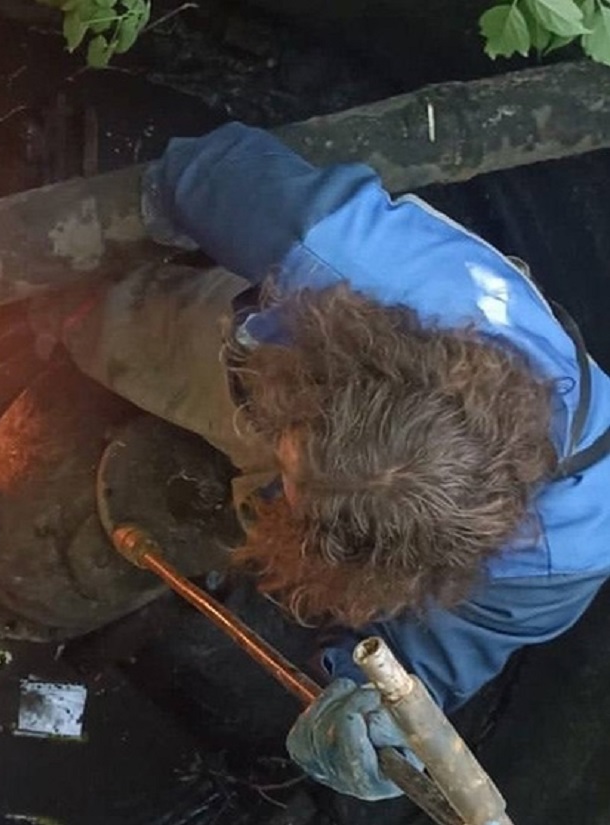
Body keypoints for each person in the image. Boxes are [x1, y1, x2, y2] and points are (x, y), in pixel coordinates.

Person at [60, 121, 610, 800]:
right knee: (112, 328)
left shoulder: (550, 571)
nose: (281, 490)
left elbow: (423, 671)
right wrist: (149, 211)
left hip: (334, 427)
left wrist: (375, 715)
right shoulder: (346, 257)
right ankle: (69, 319)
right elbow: (206, 171)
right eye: (293, 469)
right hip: (298, 354)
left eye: (296, 500)